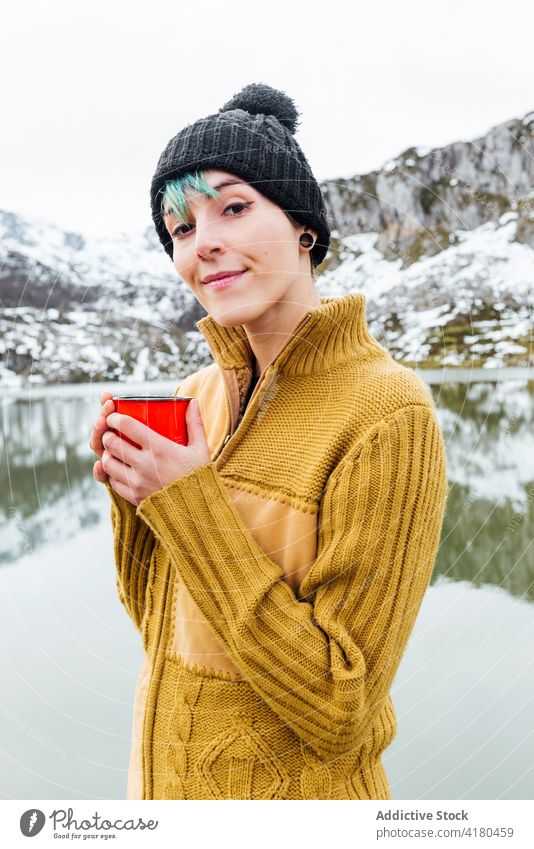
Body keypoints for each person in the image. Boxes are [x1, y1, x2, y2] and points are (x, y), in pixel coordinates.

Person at [89, 82, 448, 800]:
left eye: (233, 207)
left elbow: (340, 706)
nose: (204, 243)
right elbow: (164, 627)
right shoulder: (195, 398)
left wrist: (185, 501)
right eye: (180, 227)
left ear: (303, 227)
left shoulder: (387, 412)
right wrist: (135, 496)